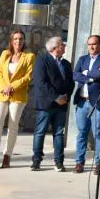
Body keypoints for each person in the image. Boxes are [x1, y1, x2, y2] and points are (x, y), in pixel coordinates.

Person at [0, 30, 35, 169]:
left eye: (21, 39)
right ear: (11, 40)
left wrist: (12, 86)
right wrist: (4, 87)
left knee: (13, 126)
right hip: (2, 94)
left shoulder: (29, 56)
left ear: (24, 41)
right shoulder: (5, 54)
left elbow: (28, 77)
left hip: (18, 95)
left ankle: (7, 156)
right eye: (15, 39)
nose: (18, 41)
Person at [72, 35, 100, 175]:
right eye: (89, 44)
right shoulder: (82, 59)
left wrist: (86, 74)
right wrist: (91, 77)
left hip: (97, 102)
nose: (91, 47)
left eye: (94, 44)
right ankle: (79, 162)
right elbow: (75, 75)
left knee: (99, 134)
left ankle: (98, 164)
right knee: (82, 133)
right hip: (82, 102)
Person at [31, 37, 74, 172]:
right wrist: (56, 97)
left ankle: (59, 162)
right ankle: (36, 161)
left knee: (59, 133)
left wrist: (66, 96)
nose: (64, 46)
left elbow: (71, 83)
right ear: (55, 47)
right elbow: (41, 82)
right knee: (40, 132)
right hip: (46, 104)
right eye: (62, 44)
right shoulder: (42, 60)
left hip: (61, 105)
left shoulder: (66, 63)